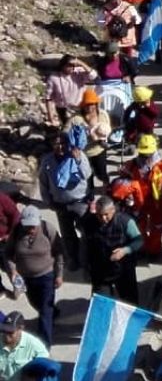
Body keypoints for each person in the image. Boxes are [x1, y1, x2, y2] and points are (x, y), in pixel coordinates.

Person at [4, 207, 63, 347]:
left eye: (33, 226)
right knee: (35, 303)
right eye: (28, 226)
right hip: (26, 277)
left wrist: (59, 274)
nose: (31, 229)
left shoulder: (48, 229)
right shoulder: (17, 231)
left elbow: (59, 253)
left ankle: (44, 344)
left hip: (46, 275)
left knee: (44, 311)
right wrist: (13, 271)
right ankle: (53, 313)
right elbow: (8, 254)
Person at [37, 132, 92, 269]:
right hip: (60, 204)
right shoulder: (47, 161)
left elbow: (86, 174)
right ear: (52, 145)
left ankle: (87, 259)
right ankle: (73, 259)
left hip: (80, 202)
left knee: (86, 232)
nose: (60, 147)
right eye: (57, 143)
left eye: (63, 143)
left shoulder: (78, 155)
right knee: (67, 235)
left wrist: (78, 159)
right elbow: (43, 183)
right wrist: (48, 200)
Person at [81, 195, 143, 303]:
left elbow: (139, 240)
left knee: (130, 303)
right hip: (100, 272)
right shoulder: (89, 223)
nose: (103, 219)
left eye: (106, 215)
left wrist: (124, 251)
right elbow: (85, 246)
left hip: (123, 270)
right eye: (99, 215)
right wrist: (86, 267)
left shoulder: (125, 222)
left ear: (113, 210)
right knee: (100, 304)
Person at [43, 56, 97, 128]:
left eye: (73, 65)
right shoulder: (53, 78)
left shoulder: (79, 72)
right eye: (69, 65)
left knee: (84, 127)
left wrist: (81, 63)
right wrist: (51, 117)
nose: (72, 67)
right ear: (63, 65)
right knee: (67, 128)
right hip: (63, 109)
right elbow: (48, 98)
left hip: (80, 107)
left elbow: (93, 76)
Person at [0, 312, 49, 381]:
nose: (6, 336)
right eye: (4, 331)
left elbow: (44, 365)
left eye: (10, 332)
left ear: (20, 329)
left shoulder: (35, 345)